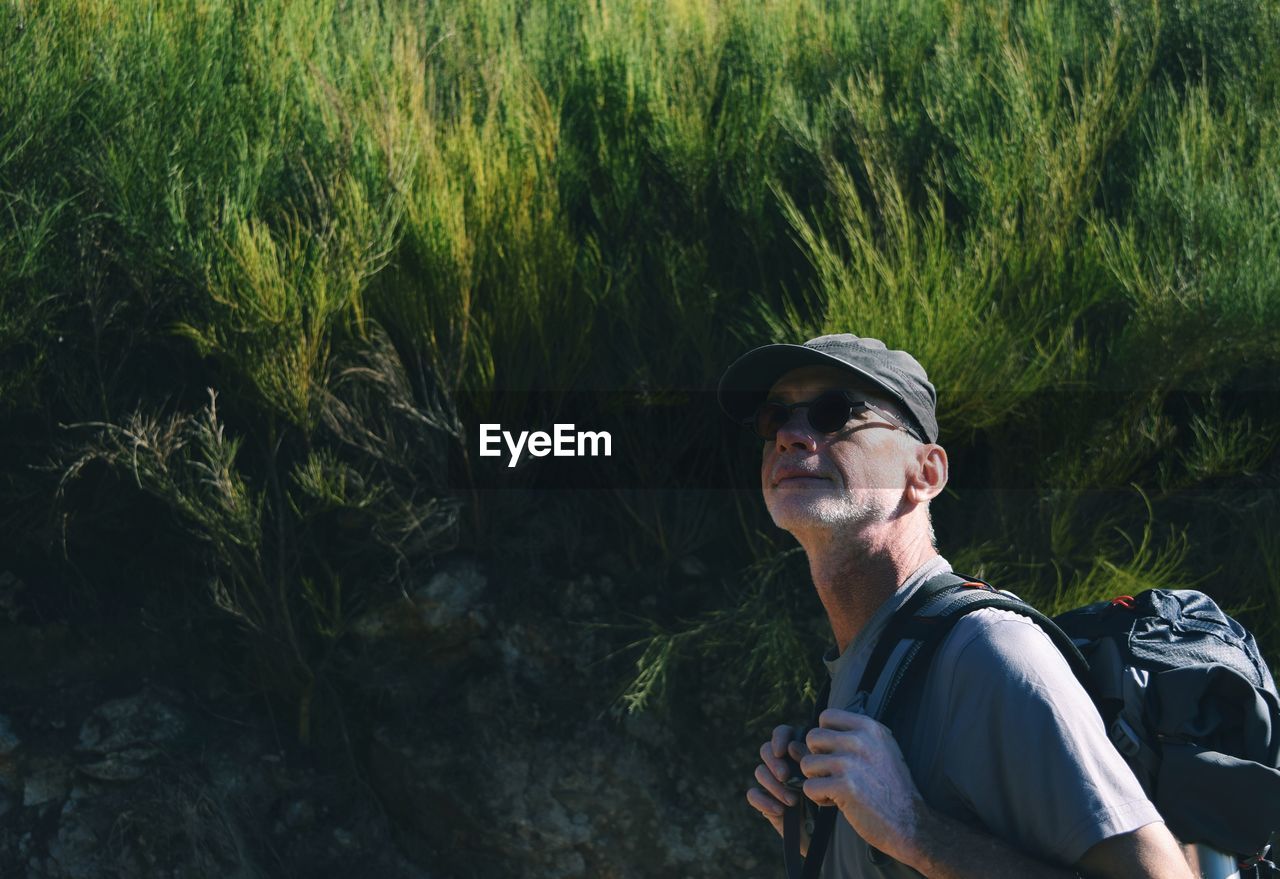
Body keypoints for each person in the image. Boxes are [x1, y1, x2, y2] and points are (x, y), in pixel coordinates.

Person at [718, 334, 1194, 878]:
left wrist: (916, 830)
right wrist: (824, 841)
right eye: (774, 417)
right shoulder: (866, 662)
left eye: (833, 414)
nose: (790, 436)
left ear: (926, 474)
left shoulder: (988, 652)